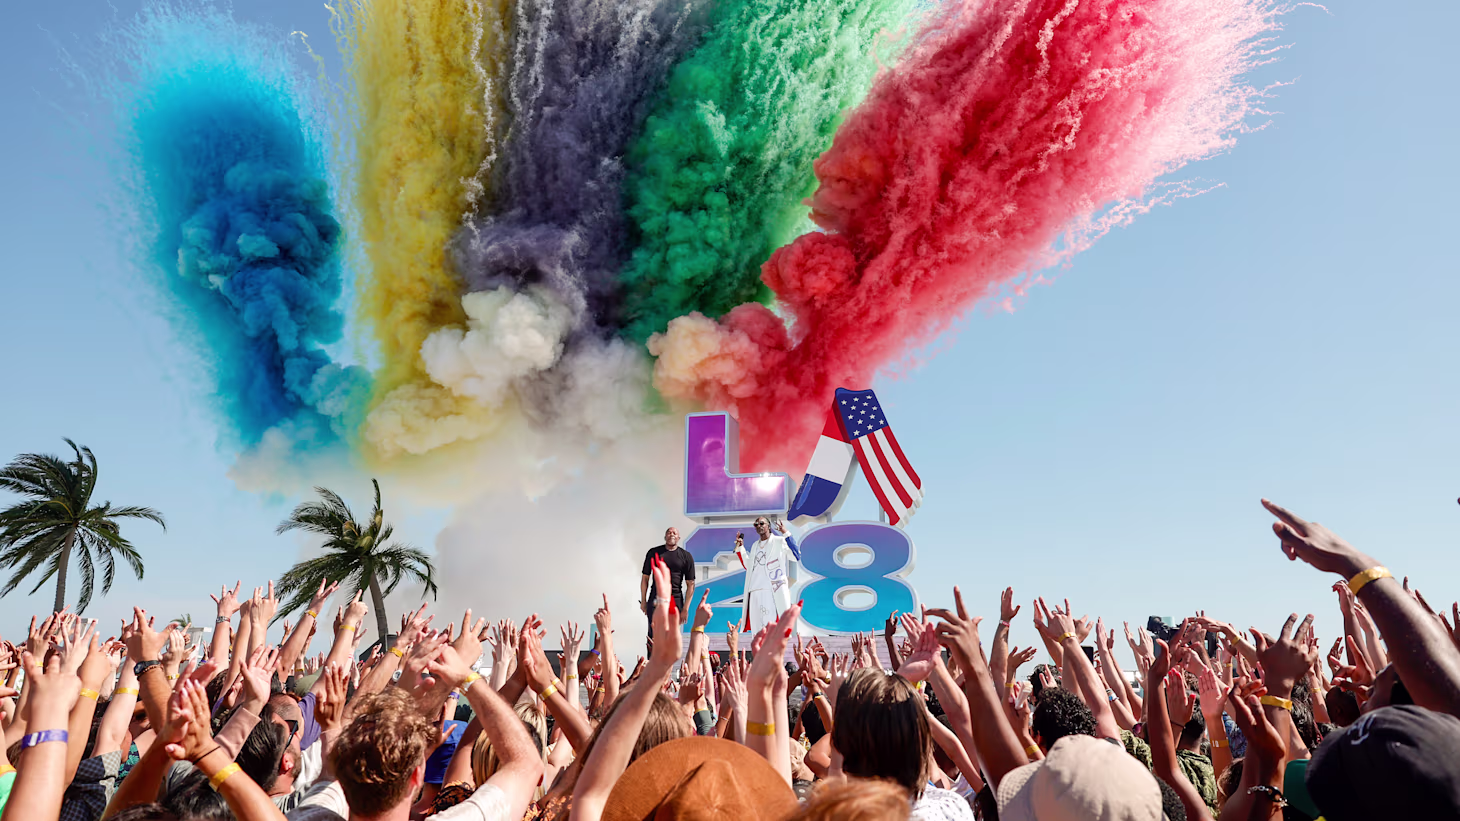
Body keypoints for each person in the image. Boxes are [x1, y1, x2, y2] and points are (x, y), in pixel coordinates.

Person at [736, 517, 801, 635]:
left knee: (769, 629)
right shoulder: (755, 545)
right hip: (754, 591)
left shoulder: (779, 541)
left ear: (768, 526)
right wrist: (741, 548)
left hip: (770, 590)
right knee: (756, 633)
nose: (759, 526)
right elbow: (749, 566)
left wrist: (786, 533)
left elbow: (795, 555)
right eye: (756, 524)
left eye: (761, 523)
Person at [639, 527, 694, 652]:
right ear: (665, 536)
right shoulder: (653, 552)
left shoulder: (686, 556)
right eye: (669, 532)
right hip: (656, 598)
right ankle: (651, 662)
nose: (671, 534)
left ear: (679, 538)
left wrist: (685, 609)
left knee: (671, 635)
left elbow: (690, 584)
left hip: (675, 600)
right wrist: (643, 601)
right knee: (653, 633)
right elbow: (645, 578)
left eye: (674, 533)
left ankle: (668, 663)